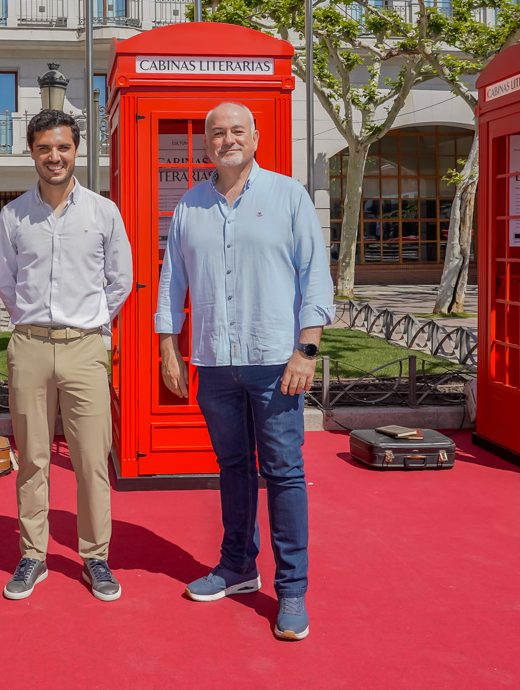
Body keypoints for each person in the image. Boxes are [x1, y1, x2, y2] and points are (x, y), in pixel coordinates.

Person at [155, 102, 335, 641]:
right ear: (206, 142)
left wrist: (307, 349)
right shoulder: (190, 204)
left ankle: (292, 589)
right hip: (214, 362)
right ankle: (237, 565)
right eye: (217, 132)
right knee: (232, 468)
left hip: (276, 360)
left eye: (237, 130)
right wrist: (168, 348)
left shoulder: (288, 195)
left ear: (255, 137)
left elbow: (315, 274)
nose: (227, 139)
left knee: (283, 472)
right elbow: (172, 280)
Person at [0, 108, 133, 602]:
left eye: (63, 147)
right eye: (44, 148)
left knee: (92, 459)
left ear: (76, 150)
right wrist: (32, 322)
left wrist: (91, 322)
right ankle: (33, 554)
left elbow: (120, 280)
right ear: (31, 152)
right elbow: (6, 282)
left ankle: (96, 556)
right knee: (32, 459)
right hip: (30, 347)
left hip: (84, 348)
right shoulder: (14, 215)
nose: (54, 157)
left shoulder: (103, 212)